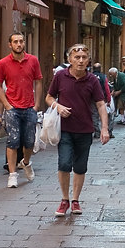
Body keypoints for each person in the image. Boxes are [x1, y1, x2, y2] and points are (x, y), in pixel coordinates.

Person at [43, 44, 111, 217]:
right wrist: (57, 107)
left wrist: (104, 128)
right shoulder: (60, 76)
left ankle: (75, 200)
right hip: (64, 129)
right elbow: (49, 97)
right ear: (69, 60)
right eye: (77, 57)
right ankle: (64, 199)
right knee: (64, 163)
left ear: (88, 60)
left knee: (80, 167)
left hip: (85, 129)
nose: (80, 61)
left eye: (84, 58)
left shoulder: (92, 80)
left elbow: (101, 104)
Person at [0, 31, 43, 188]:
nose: (19, 44)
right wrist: (7, 105)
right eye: (15, 42)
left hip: (29, 107)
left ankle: (26, 163)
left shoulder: (33, 61)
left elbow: (39, 82)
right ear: (10, 44)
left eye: (21, 41)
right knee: (13, 141)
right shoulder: (3, 63)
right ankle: (12, 174)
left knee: (29, 141)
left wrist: (36, 105)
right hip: (13, 108)